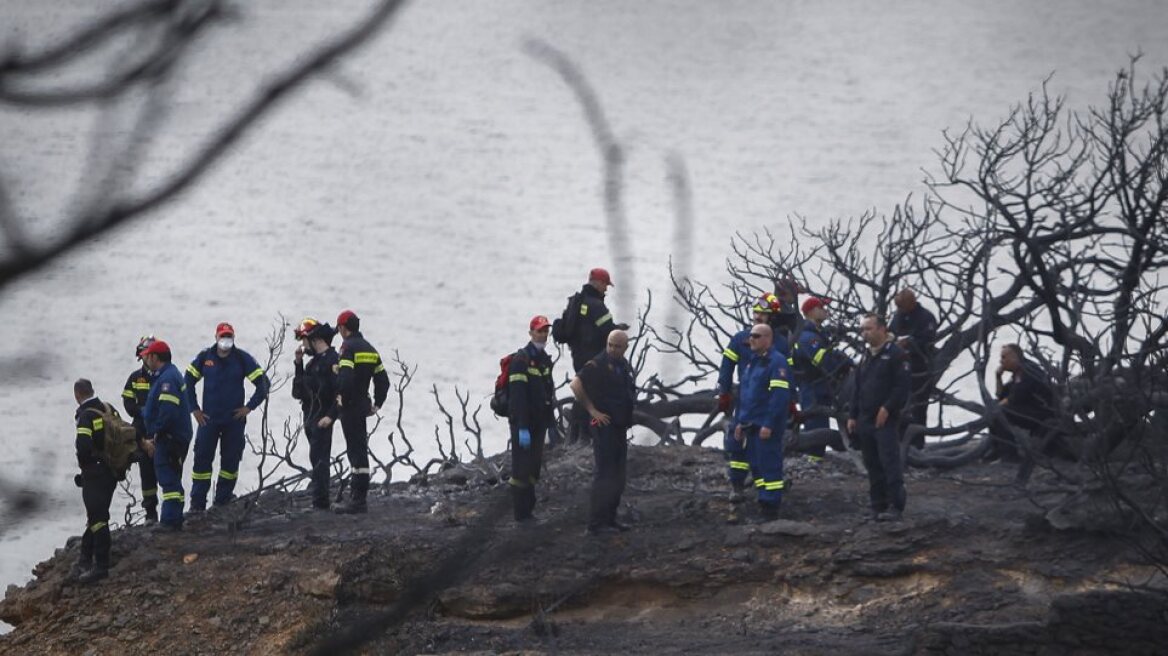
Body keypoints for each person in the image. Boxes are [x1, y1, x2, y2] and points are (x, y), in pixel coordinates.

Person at [184, 322, 271, 512]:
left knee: (230, 462)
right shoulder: (205, 357)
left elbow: (263, 384)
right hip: (208, 420)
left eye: (229, 336)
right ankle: (197, 505)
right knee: (202, 462)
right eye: (222, 336)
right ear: (216, 337)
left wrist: (249, 407)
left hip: (234, 421)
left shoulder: (241, 359)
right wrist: (194, 409)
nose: (225, 340)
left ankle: (222, 501)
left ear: (233, 338)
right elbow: (188, 380)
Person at [716, 293, 787, 506]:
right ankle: (737, 485)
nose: (758, 316)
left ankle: (766, 495)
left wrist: (790, 402)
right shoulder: (740, 339)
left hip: (767, 403)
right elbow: (726, 366)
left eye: (763, 314)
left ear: (772, 317)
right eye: (756, 312)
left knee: (764, 450)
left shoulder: (780, 344)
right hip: (745, 400)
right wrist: (724, 392)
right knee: (736, 443)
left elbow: (788, 374)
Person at [572, 330, 637, 535]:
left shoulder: (623, 365)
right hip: (603, 426)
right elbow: (575, 384)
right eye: (610, 345)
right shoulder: (597, 364)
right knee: (605, 473)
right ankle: (596, 523)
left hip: (619, 426)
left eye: (618, 346)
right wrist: (593, 410)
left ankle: (610, 518)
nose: (613, 349)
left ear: (625, 348)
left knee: (618, 474)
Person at [847, 314, 911, 522]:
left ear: (882, 329)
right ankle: (877, 504)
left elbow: (901, 387)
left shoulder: (895, 354)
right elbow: (857, 387)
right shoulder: (866, 356)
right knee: (872, 463)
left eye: (869, 328)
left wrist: (888, 408)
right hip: (865, 417)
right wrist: (852, 414)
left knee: (889, 461)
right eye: (863, 329)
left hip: (885, 418)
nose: (865, 333)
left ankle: (896, 504)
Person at [333, 309, 390, 514]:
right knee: (360, 449)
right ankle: (359, 496)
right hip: (363, 405)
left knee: (355, 452)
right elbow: (383, 380)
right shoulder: (370, 349)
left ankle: (358, 500)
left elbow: (346, 378)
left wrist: (342, 398)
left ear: (342, 328)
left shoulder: (347, 347)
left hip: (350, 407)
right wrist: (377, 403)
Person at [733, 324, 792, 522]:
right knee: (756, 466)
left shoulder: (776, 362)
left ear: (768, 339)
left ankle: (771, 507)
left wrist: (769, 424)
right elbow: (746, 396)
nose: (752, 340)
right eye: (750, 336)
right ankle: (762, 500)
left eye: (756, 336)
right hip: (751, 424)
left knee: (770, 467)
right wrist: (741, 422)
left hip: (766, 426)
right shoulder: (753, 362)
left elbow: (779, 397)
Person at [566, 268, 629, 443]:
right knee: (592, 394)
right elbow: (607, 330)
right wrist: (619, 331)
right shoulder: (597, 305)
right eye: (605, 285)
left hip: (577, 355)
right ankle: (586, 434)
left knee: (583, 392)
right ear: (599, 283)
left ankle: (576, 434)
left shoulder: (577, 302)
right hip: (593, 356)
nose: (606, 290)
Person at [506, 315, 556, 523]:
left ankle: (529, 511)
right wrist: (522, 427)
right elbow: (518, 397)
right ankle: (521, 514)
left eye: (545, 331)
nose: (543, 335)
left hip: (539, 422)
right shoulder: (521, 361)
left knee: (534, 467)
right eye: (539, 331)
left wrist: (551, 423)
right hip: (523, 423)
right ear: (531, 333)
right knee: (521, 470)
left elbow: (547, 392)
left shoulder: (543, 359)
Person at [139, 340, 193, 531]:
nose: (146, 360)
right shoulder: (168, 375)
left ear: (155, 357)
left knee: (168, 478)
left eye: (148, 356)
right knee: (173, 479)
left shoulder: (167, 379)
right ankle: (174, 518)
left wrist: (156, 432)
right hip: (174, 436)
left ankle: (170, 521)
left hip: (169, 438)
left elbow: (167, 410)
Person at [792, 297, 854, 460]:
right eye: (821, 307)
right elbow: (824, 361)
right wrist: (841, 365)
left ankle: (816, 456)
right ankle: (813, 459)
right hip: (812, 386)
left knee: (821, 420)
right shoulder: (807, 337)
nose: (826, 310)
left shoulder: (819, 333)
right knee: (815, 424)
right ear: (811, 312)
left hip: (822, 386)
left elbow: (831, 354)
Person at [72, 379, 118, 584]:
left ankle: (101, 565)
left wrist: (86, 469)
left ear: (77, 395)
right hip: (112, 471)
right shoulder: (108, 408)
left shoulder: (86, 416)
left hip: (95, 474)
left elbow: (83, 446)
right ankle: (85, 554)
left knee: (98, 519)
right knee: (97, 514)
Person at [291, 318, 339, 510]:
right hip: (309, 417)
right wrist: (298, 364)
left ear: (315, 339)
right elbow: (297, 393)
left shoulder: (332, 360)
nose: (302, 345)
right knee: (315, 458)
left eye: (304, 340)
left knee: (320, 460)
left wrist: (331, 416)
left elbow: (340, 391)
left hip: (322, 417)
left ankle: (321, 503)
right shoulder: (311, 364)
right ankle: (319, 500)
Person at [990, 344, 1057, 463]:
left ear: (1014, 357)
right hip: (1030, 409)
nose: (1001, 361)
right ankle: (996, 450)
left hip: (1043, 413)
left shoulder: (1028, 370)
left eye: (1004, 357)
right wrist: (998, 377)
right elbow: (1001, 396)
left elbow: (1014, 398)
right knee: (995, 407)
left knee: (1001, 411)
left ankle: (1010, 455)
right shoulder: (1017, 373)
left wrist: (995, 409)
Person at [889, 288, 938, 448]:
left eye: (902, 306)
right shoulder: (897, 317)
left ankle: (918, 444)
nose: (900, 310)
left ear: (911, 302)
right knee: (899, 406)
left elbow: (928, 340)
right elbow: (891, 333)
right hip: (900, 369)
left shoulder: (926, 318)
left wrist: (910, 343)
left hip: (920, 368)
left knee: (919, 407)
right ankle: (900, 440)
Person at [121, 336, 159, 522]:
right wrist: (140, 411)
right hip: (142, 428)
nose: (149, 358)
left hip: (161, 427)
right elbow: (127, 401)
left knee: (167, 468)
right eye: (146, 354)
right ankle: (151, 512)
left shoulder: (164, 375)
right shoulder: (135, 378)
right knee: (146, 469)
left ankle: (172, 511)